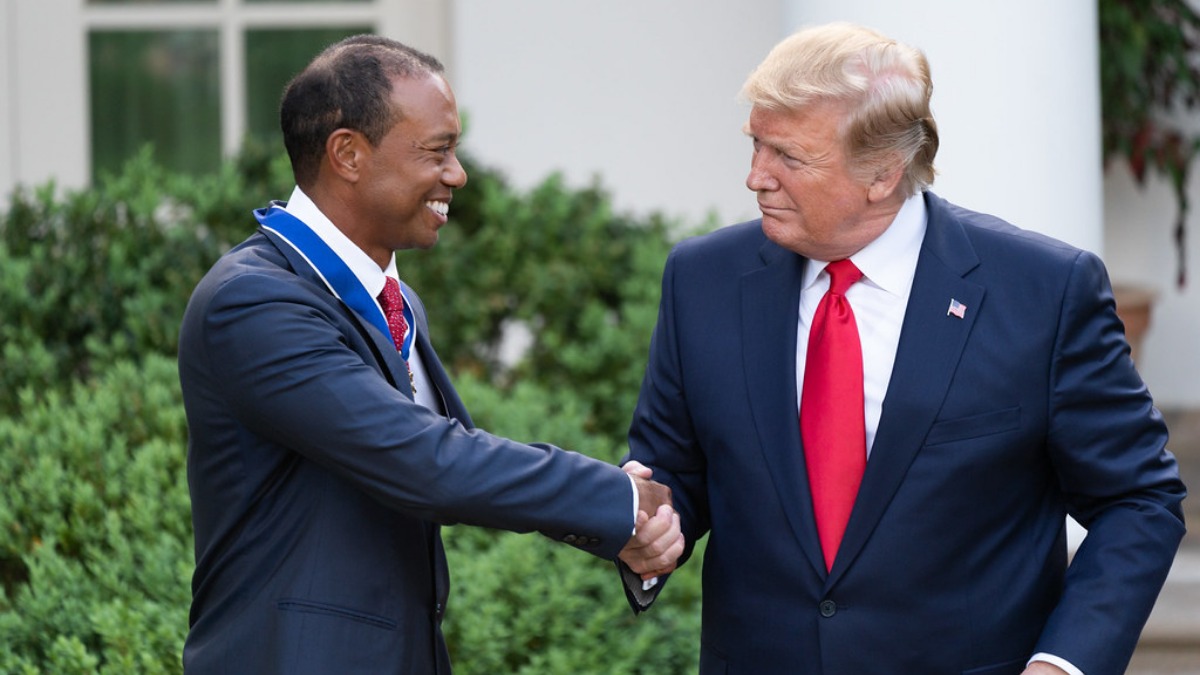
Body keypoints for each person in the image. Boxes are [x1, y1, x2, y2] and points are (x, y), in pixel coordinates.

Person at [619, 22, 1187, 675]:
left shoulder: (1042, 292)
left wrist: (1063, 663)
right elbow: (671, 475)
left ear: (882, 174)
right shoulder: (702, 280)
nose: (756, 177)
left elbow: (1137, 499)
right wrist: (647, 528)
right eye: (755, 144)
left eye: (788, 157)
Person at [177, 34, 682, 674]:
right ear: (348, 154)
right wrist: (618, 500)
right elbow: (425, 462)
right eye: (436, 151)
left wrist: (617, 525)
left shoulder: (394, 300)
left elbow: (454, 456)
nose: (457, 174)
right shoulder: (253, 302)